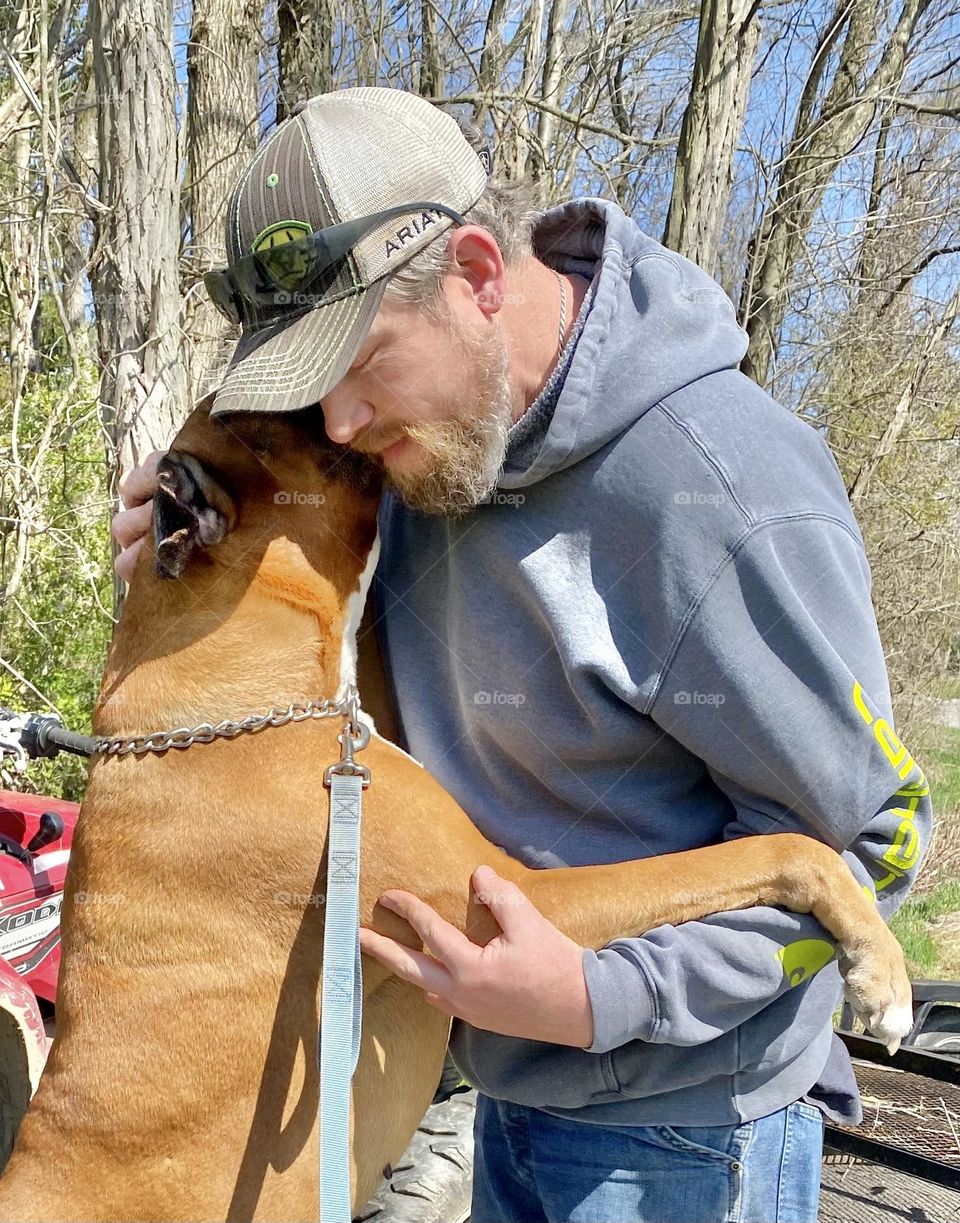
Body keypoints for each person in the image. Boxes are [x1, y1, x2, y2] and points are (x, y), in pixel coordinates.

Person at [112, 86, 932, 1223]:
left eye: (360, 363)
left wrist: (603, 998)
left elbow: (878, 840)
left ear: (481, 275)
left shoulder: (723, 495)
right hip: (504, 1102)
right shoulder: (426, 453)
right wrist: (190, 577)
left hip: (688, 1140)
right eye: (309, 389)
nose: (341, 425)